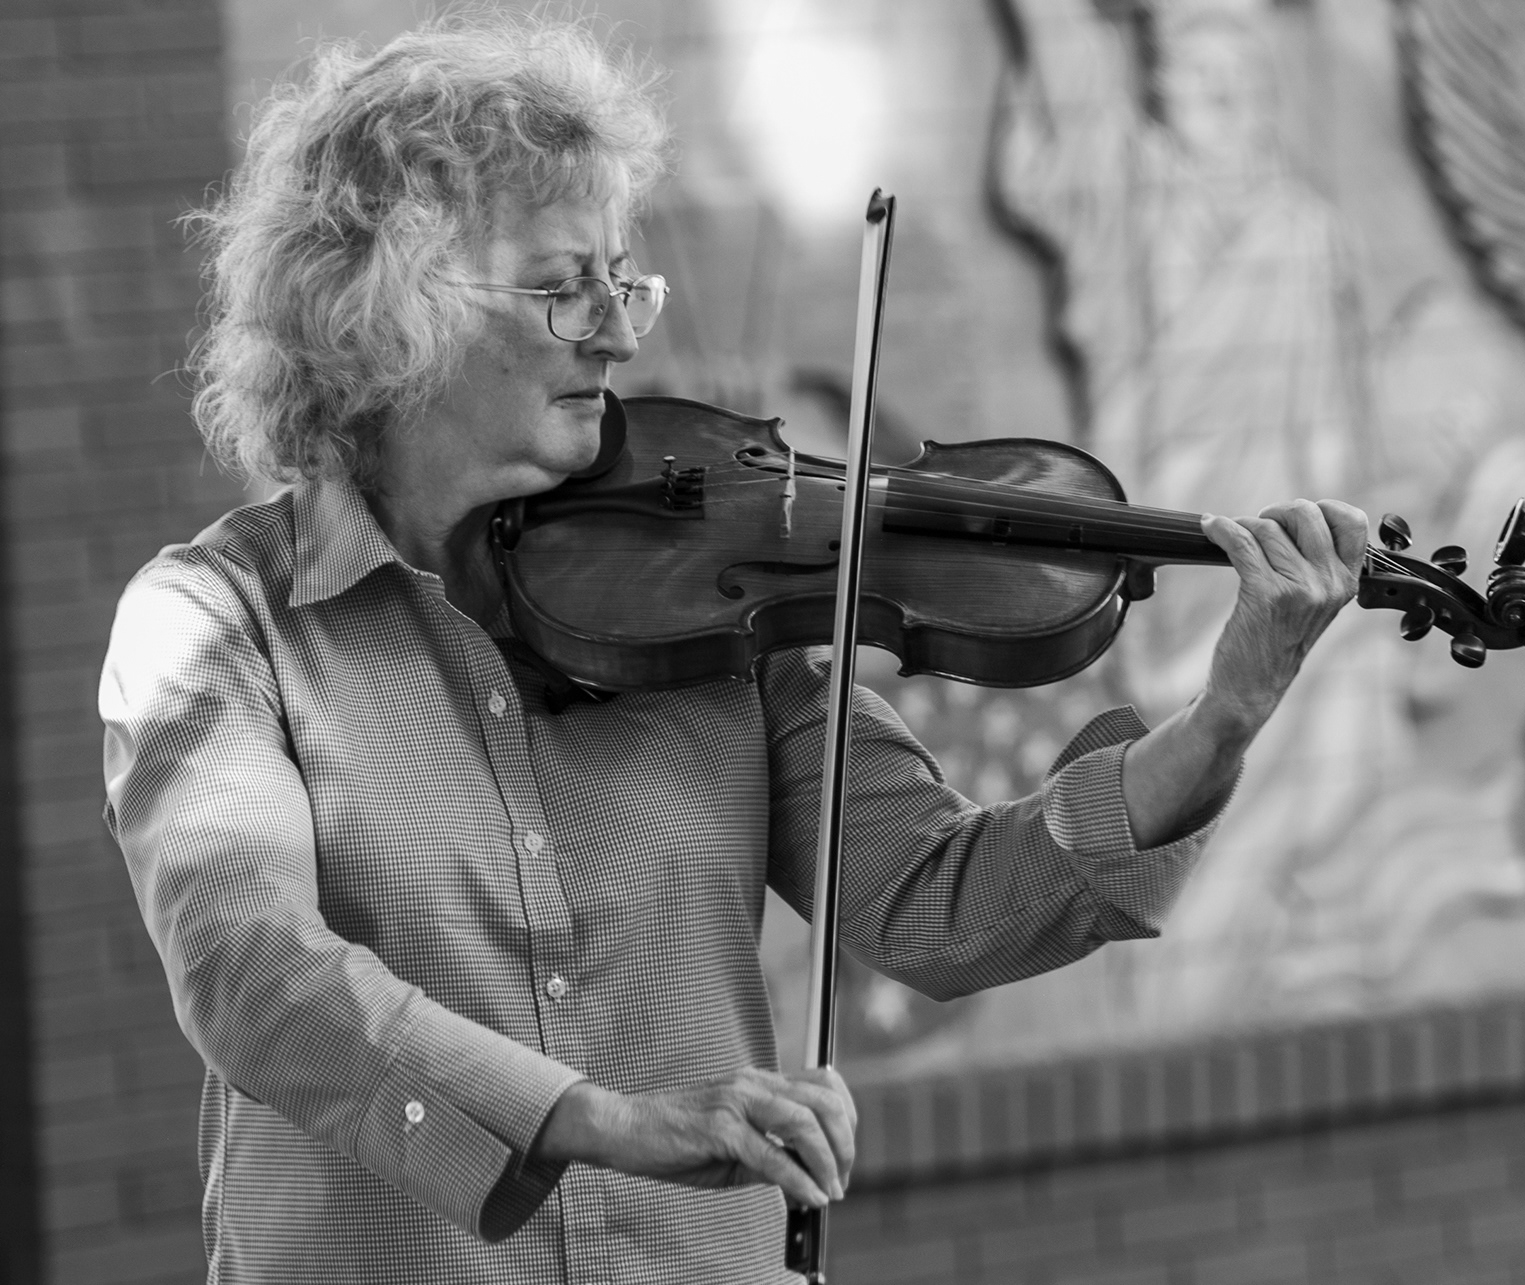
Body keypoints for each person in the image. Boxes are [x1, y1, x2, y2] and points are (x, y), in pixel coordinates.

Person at [98, 13, 1366, 1283]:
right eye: (560, 287)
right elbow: (253, 969)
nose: (618, 330)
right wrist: (597, 1119)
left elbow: (941, 905)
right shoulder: (219, 629)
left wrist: (1224, 718)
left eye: (620, 278)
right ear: (387, 315)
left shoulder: (713, 609)